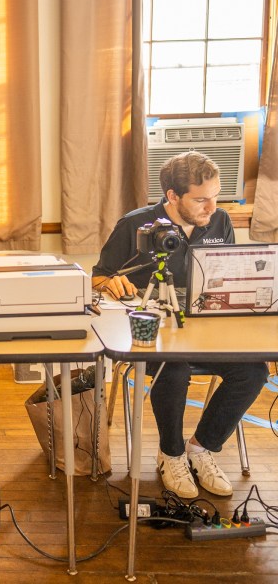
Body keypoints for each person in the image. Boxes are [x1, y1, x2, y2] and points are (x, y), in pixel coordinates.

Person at [92, 151, 268, 498]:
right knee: (172, 371)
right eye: (201, 199)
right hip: (153, 334)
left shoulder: (219, 222)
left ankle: (201, 448)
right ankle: (171, 454)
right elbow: (99, 277)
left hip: (208, 332)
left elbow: (227, 276)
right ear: (173, 196)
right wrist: (110, 283)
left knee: (254, 371)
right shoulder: (135, 224)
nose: (212, 207)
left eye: (216, 196)